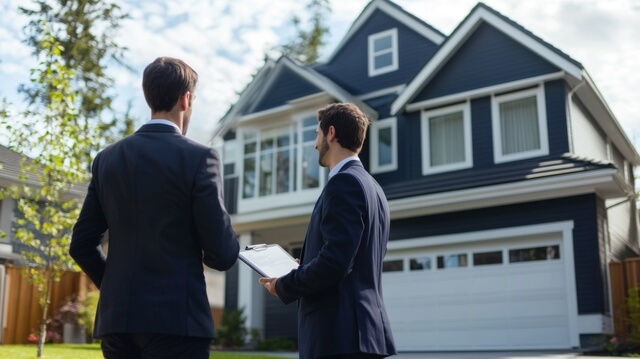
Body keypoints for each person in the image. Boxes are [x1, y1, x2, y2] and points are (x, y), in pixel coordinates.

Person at [70, 56, 239, 359]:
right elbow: (223, 254)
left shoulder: (106, 159)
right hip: (176, 322)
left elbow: (81, 245)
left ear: (149, 96)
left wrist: (115, 286)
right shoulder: (201, 158)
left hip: (117, 322)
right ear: (186, 99)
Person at [259, 103, 397, 359]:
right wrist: (307, 266)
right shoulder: (374, 188)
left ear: (330, 133)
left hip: (338, 338)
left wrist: (284, 284)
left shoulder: (344, 184)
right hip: (361, 335)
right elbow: (352, 258)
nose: (314, 144)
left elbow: (335, 262)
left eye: (316, 134)